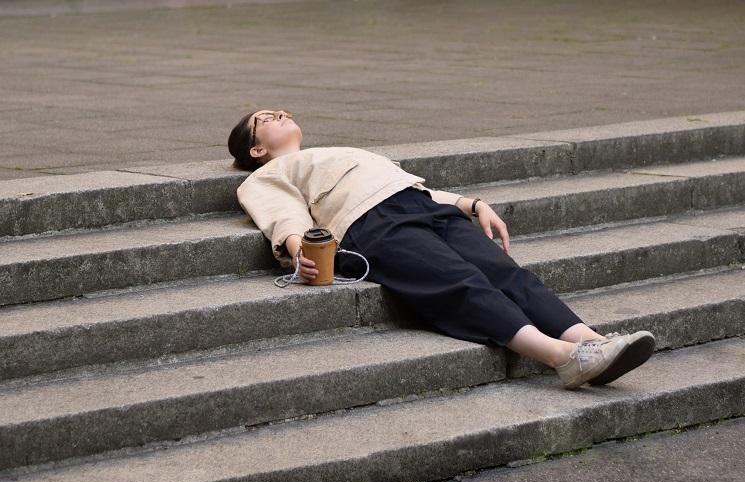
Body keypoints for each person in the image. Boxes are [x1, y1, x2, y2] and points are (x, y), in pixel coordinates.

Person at [228, 109, 656, 390]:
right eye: (264, 118)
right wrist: (298, 247)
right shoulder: (265, 176)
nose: (280, 113)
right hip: (370, 224)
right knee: (461, 283)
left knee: (507, 273)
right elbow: (282, 214)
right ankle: (563, 357)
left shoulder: (337, 151)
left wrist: (472, 204)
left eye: (279, 110)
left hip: (421, 206)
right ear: (256, 148)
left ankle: (594, 342)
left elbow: (409, 186)